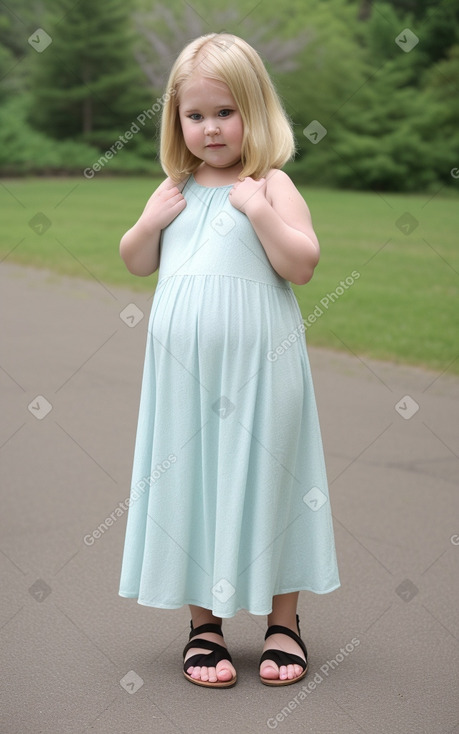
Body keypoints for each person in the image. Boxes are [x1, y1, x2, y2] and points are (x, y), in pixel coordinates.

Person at [118, 32, 340, 689]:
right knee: (191, 483)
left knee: (273, 478)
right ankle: (204, 626)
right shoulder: (174, 188)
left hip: (262, 371)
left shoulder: (270, 183)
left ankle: (283, 623)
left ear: (255, 111)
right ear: (175, 121)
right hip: (183, 384)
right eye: (195, 115)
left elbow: (301, 264)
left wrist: (257, 209)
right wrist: (149, 222)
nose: (210, 128)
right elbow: (136, 261)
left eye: (225, 112)